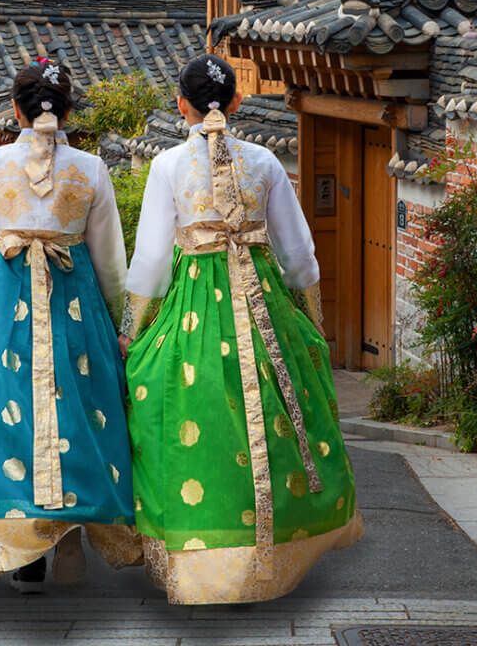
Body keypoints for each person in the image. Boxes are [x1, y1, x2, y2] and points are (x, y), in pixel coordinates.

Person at [121, 53, 361, 604]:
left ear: (181, 105)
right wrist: (310, 320)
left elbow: (152, 260)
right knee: (279, 410)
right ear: (236, 102)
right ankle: (275, 555)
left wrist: (136, 330)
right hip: (264, 304)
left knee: (186, 414)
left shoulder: (166, 167)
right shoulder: (266, 162)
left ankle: (201, 557)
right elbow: (298, 252)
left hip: (193, 311)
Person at [0, 59, 140, 593]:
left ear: (15, 109)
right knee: (79, 417)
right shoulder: (90, 169)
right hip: (76, 305)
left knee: (4, 421)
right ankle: (67, 534)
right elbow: (111, 260)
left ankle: (25, 547)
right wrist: (127, 324)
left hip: (3, 304)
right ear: (68, 112)